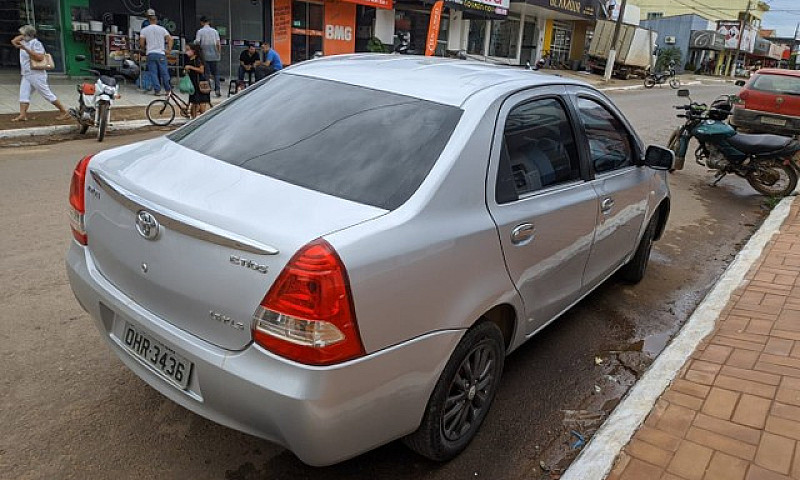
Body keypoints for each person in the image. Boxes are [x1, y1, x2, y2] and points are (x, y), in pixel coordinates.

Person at [11, 25, 69, 122]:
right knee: (23, 94)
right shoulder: (24, 41)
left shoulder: (36, 44)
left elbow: (40, 57)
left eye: (23, 35)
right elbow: (13, 41)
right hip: (26, 73)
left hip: (36, 74)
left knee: (46, 93)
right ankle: (22, 115)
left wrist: (26, 49)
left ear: (28, 35)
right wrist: (22, 38)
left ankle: (64, 111)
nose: (21, 36)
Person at [139, 9, 173, 96]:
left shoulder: (144, 30)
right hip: (161, 53)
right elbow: (170, 39)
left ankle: (157, 90)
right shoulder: (162, 29)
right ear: (156, 20)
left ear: (149, 20)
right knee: (164, 72)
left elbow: (141, 43)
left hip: (150, 53)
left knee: (153, 73)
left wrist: (144, 49)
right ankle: (168, 90)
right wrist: (169, 50)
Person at [195, 16, 221, 97]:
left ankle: (208, 90)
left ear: (202, 22)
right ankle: (217, 90)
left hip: (204, 55)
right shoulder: (215, 31)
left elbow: (197, 42)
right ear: (209, 22)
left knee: (206, 73)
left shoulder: (200, 31)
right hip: (214, 55)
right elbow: (218, 44)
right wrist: (219, 53)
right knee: (216, 73)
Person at [183, 44, 210, 118]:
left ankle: (200, 118)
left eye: (188, 50)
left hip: (199, 83)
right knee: (194, 102)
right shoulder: (190, 59)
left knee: (200, 103)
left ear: (193, 51)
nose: (186, 52)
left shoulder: (198, 59)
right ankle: (194, 117)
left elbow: (201, 70)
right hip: (193, 83)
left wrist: (190, 67)